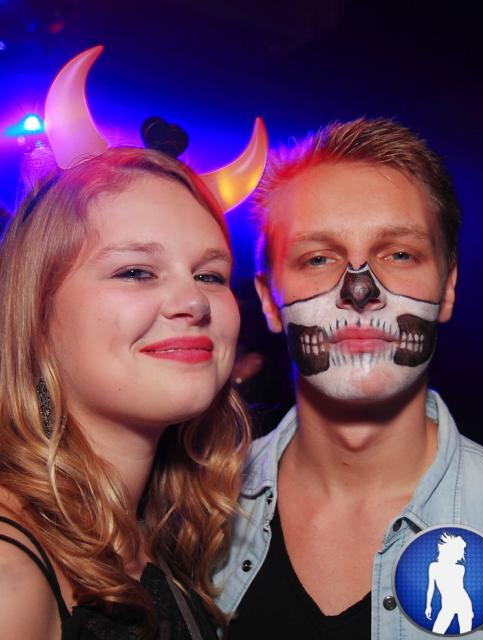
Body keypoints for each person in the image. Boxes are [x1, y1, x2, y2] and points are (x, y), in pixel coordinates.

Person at [213, 118, 483, 639]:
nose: (360, 291)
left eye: (400, 254)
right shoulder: (187, 520)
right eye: (318, 258)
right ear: (267, 300)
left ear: (448, 287)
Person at [0, 47, 267, 640]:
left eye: (210, 275)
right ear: (36, 313)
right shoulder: (10, 576)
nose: (193, 301)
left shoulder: (160, 538)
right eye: (136, 271)